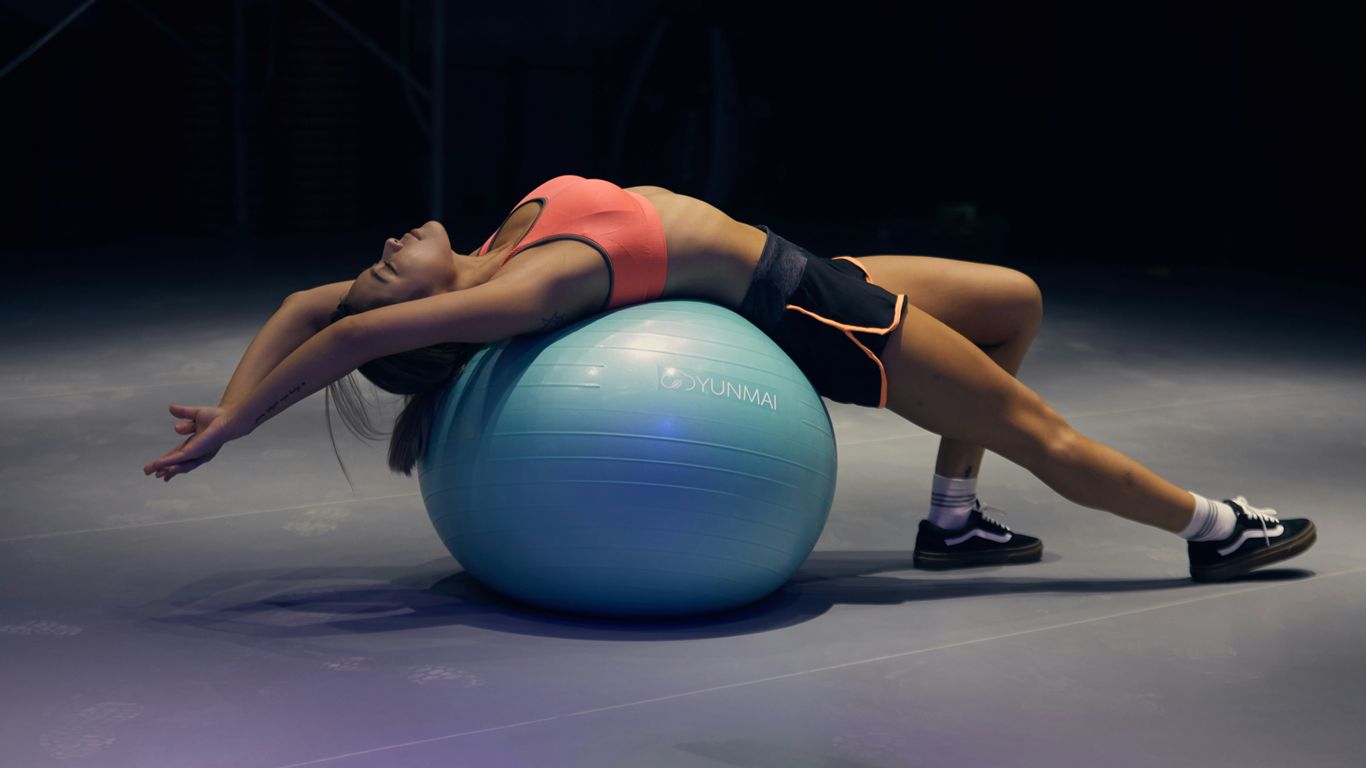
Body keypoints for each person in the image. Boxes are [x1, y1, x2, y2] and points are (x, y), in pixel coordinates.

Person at [142, 174, 1316, 583]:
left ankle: (952, 525)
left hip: (798, 265)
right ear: (426, 317)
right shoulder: (507, 293)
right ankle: (1211, 525)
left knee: (1015, 300)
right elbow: (339, 338)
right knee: (1037, 430)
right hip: (809, 311)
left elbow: (308, 309)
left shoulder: (493, 251)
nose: (383, 248)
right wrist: (239, 428)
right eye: (382, 272)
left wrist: (235, 389)